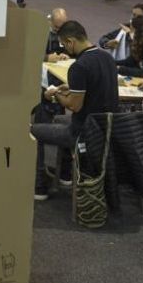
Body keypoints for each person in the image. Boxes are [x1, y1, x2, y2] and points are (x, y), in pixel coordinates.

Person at [32, 21, 119, 200]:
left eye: (64, 44)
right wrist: (71, 88)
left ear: (70, 41)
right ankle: (65, 175)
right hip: (106, 126)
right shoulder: (107, 58)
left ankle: (39, 187)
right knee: (59, 121)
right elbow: (94, 88)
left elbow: (74, 106)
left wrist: (54, 95)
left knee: (34, 131)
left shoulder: (79, 66)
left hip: (82, 131)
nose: (64, 48)